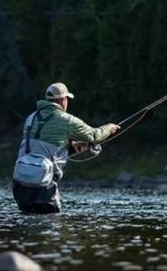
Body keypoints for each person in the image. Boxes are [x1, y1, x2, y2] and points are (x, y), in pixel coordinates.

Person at [12, 82, 119, 214]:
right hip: (44, 186)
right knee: (50, 226)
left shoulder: (31, 118)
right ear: (63, 100)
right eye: (67, 99)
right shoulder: (66, 120)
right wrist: (109, 128)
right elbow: (94, 136)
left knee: (26, 225)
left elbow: (40, 150)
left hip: (20, 185)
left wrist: (72, 148)